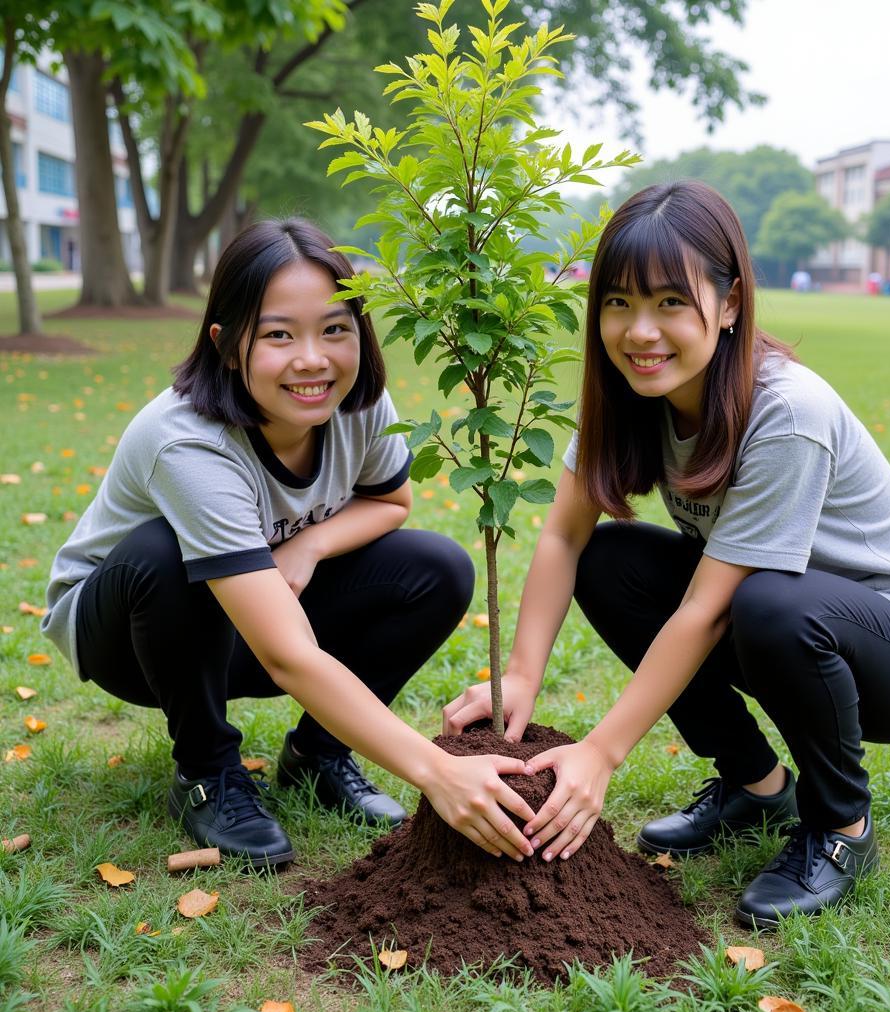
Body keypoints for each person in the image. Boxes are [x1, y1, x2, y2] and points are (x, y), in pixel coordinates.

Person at [442, 181, 890, 926]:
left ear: (730, 304)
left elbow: (706, 608)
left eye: (671, 302)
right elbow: (565, 536)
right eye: (619, 303)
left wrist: (601, 752)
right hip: (782, 623)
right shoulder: (635, 396)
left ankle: (841, 829)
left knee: (764, 602)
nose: (641, 331)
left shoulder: (786, 412)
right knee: (612, 560)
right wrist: (518, 677)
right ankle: (756, 787)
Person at [42, 219, 538, 869]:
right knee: (167, 551)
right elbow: (285, 655)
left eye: (335, 329)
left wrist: (307, 547)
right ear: (225, 345)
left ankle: (317, 758)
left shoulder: (361, 406)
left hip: (255, 613)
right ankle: (207, 773)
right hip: (134, 638)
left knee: (436, 569)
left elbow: (390, 502)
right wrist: (435, 771)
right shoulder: (186, 439)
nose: (313, 359)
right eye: (279, 334)